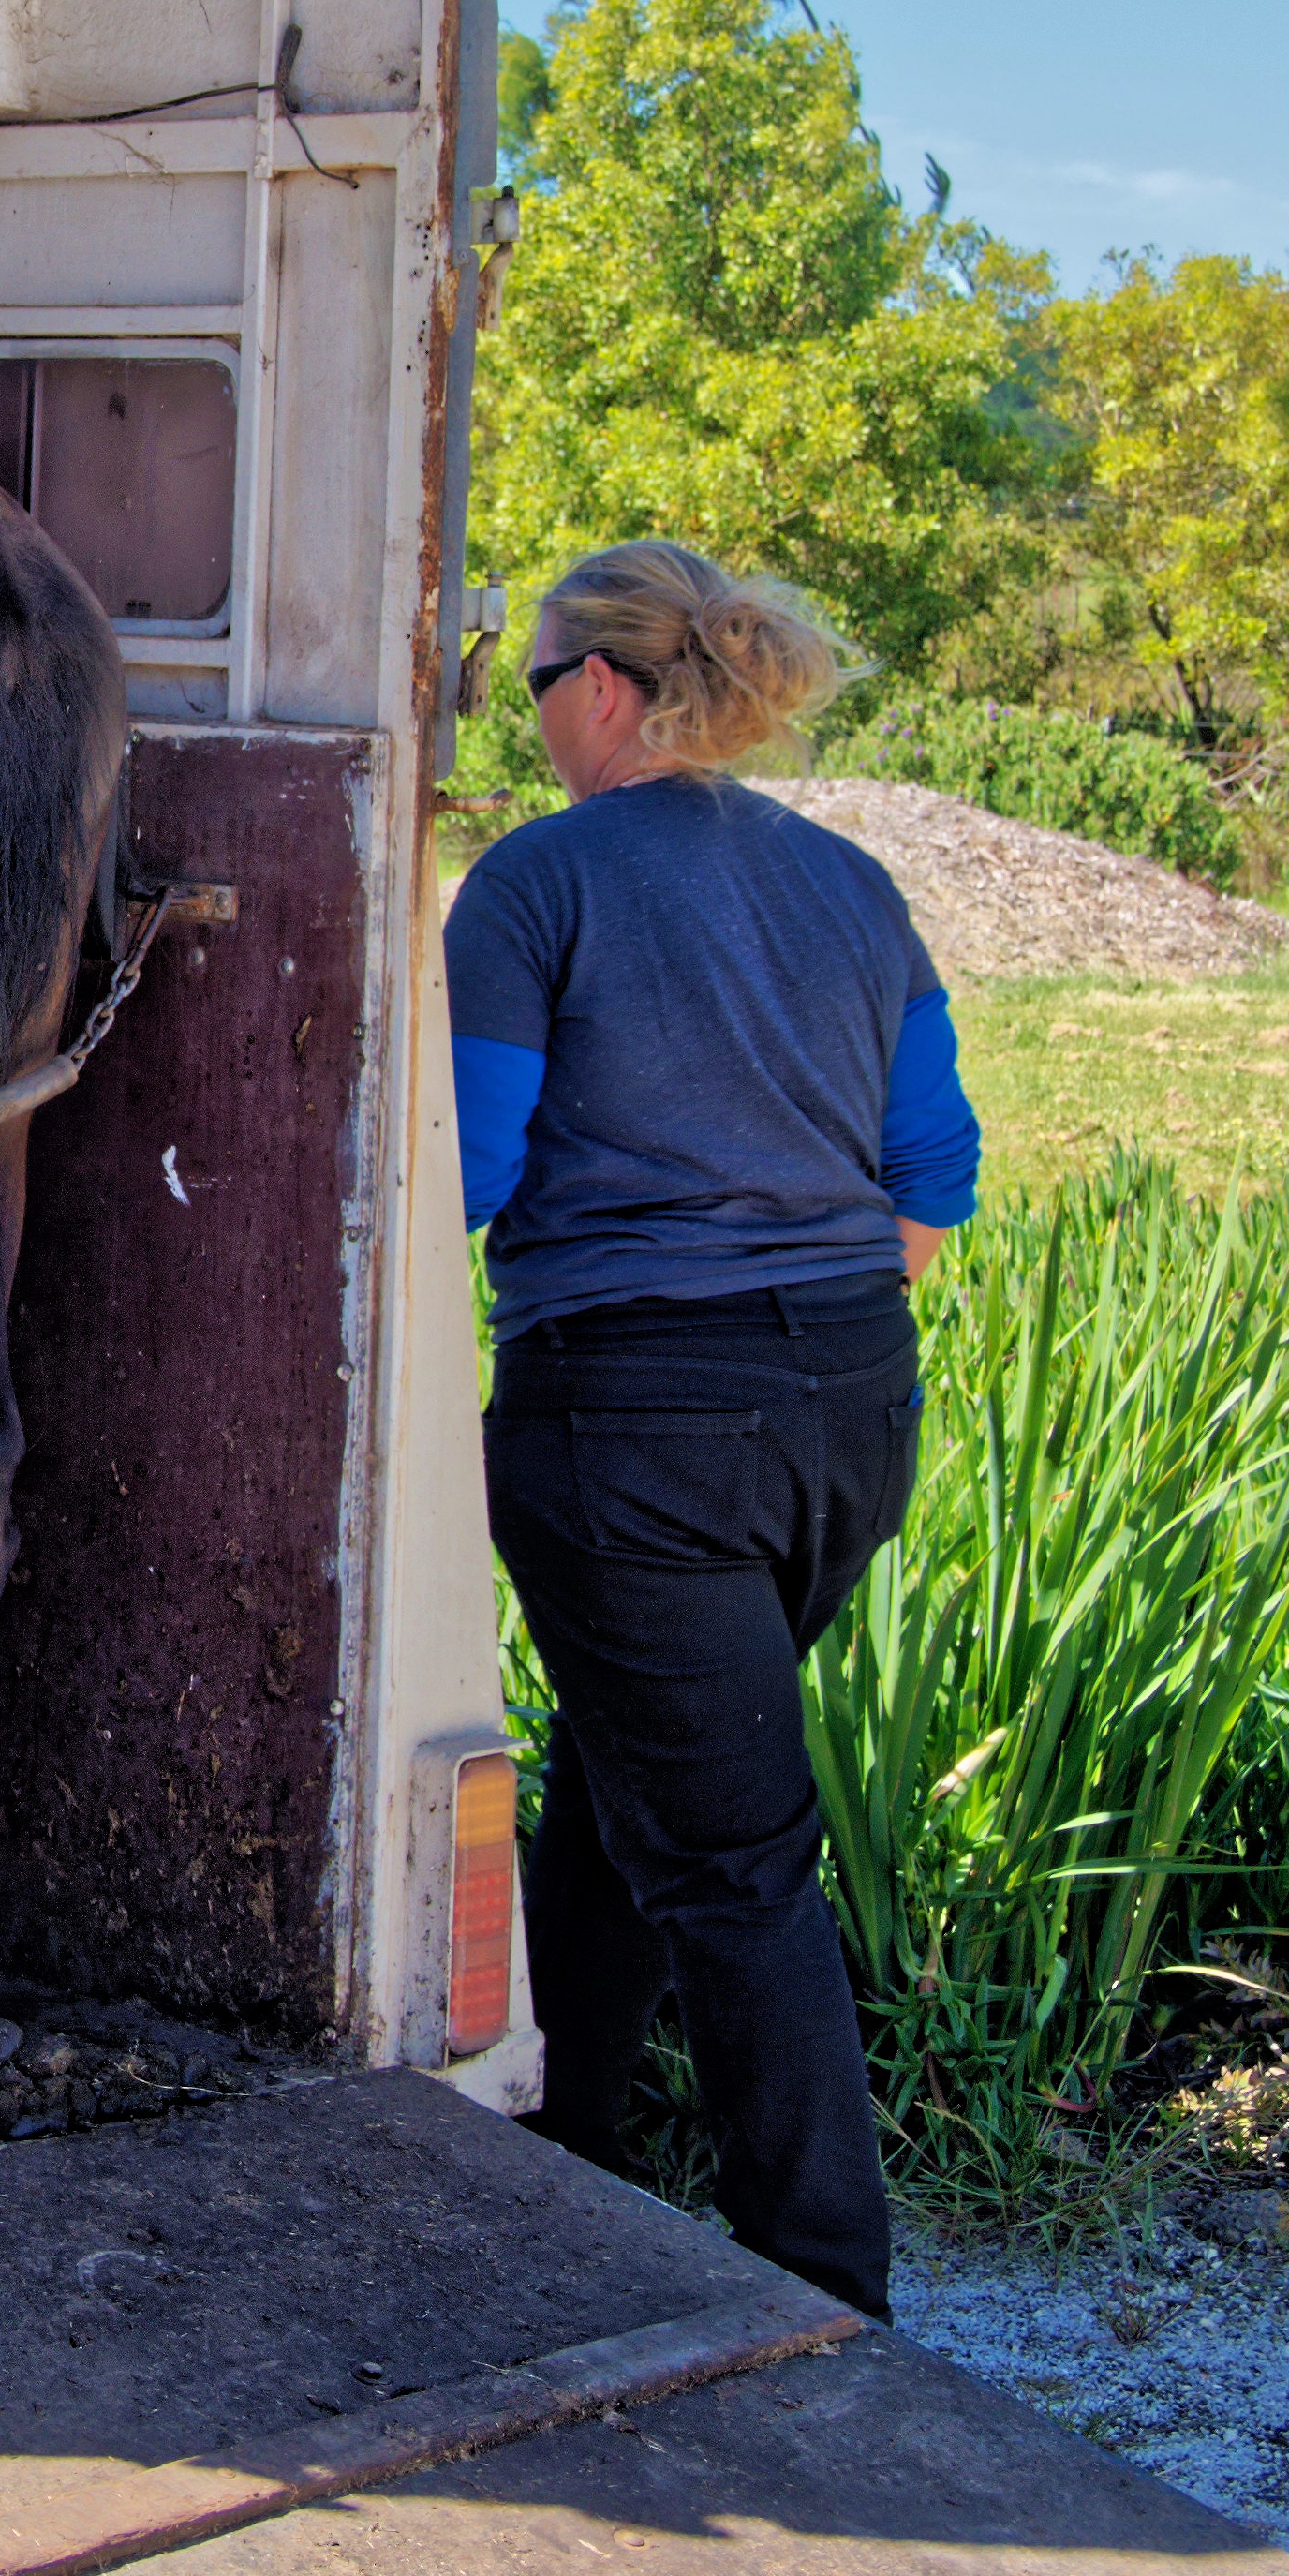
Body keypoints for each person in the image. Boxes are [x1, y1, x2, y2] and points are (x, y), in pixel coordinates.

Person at [440, 538, 979, 2326]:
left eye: (533, 687)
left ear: (600, 688)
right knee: (634, 1778)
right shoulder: (852, 884)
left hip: (635, 1425)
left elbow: (470, 1166)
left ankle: (826, 2286)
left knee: (735, 1861)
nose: (530, 723)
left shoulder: (537, 882)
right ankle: (562, 2150)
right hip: (851, 1408)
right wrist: (797, 1311)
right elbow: (934, 1175)